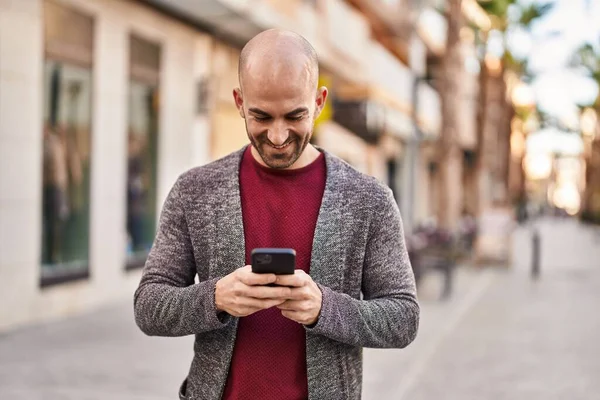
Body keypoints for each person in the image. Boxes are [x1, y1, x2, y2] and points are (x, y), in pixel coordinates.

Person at [134, 29, 419, 400]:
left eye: (295, 115)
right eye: (262, 116)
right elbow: (149, 306)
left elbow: (403, 318)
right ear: (239, 102)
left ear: (319, 102)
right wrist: (215, 298)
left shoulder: (368, 199)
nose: (279, 135)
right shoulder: (195, 191)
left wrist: (324, 308)